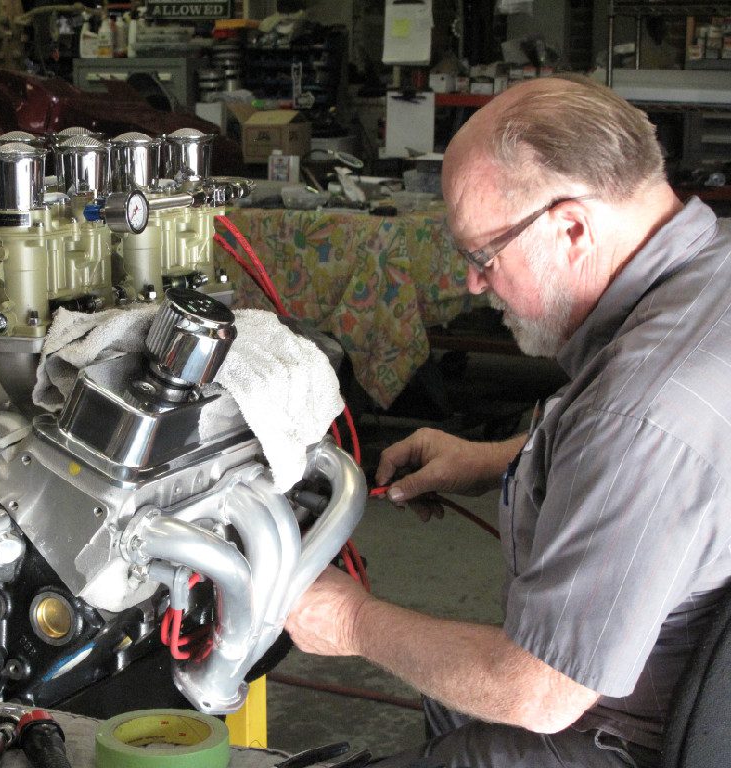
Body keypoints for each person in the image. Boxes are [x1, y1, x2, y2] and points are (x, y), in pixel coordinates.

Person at [285, 73, 731, 768]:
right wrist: (501, 457)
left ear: (573, 227)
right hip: (674, 679)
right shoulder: (713, 275)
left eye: (481, 255)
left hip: (623, 733)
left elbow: (538, 695)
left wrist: (349, 620)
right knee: (444, 693)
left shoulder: (637, 413)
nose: (473, 283)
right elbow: (690, 468)